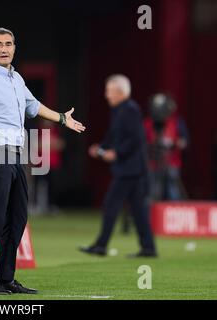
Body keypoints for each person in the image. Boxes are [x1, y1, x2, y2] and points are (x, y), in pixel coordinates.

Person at [0, 27, 86, 295]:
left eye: (9, 43)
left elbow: (34, 105)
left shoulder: (16, 79)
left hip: (15, 153)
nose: (4, 48)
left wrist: (62, 118)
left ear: (14, 47)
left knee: (17, 218)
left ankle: (5, 279)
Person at [80, 74, 157, 258]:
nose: (107, 95)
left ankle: (101, 245)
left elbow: (136, 138)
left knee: (111, 206)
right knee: (138, 210)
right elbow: (115, 134)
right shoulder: (121, 110)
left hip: (129, 170)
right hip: (132, 169)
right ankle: (148, 248)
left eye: (109, 91)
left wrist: (116, 153)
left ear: (120, 92)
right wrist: (103, 147)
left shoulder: (129, 109)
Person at [144, 93, 189, 200]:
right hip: (152, 163)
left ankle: (176, 213)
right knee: (152, 191)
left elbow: (184, 142)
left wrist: (172, 143)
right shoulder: (147, 123)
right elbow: (140, 142)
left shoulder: (177, 122)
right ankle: (151, 214)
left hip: (171, 162)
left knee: (173, 191)